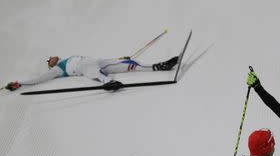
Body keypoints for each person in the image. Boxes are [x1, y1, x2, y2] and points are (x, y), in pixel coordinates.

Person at [5, 55, 179, 91]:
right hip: (85, 68)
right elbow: (38, 79)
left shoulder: (67, 57)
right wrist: (20, 82)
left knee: (127, 64)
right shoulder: (58, 69)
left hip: (96, 61)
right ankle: (107, 82)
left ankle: (158, 66)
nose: (50, 58)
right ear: (51, 66)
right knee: (93, 70)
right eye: (48, 60)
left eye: (50, 57)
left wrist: (119, 57)